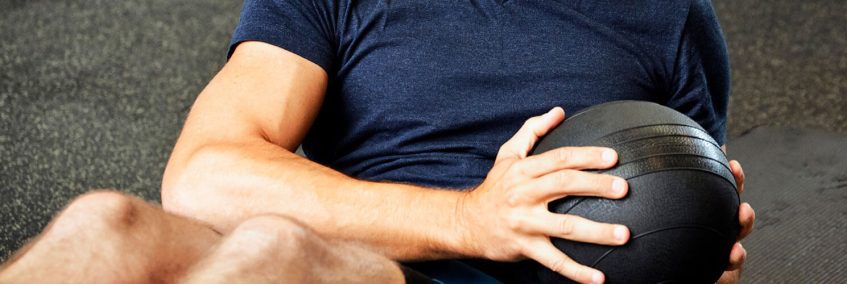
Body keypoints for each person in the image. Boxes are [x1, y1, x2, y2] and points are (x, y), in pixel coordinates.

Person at [0, 0, 756, 283]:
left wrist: (694, 243)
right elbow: (203, 175)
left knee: (272, 253)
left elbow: (682, 198)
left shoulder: (667, 14)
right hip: (376, 259)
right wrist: (470, 219)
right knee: (105, 223)